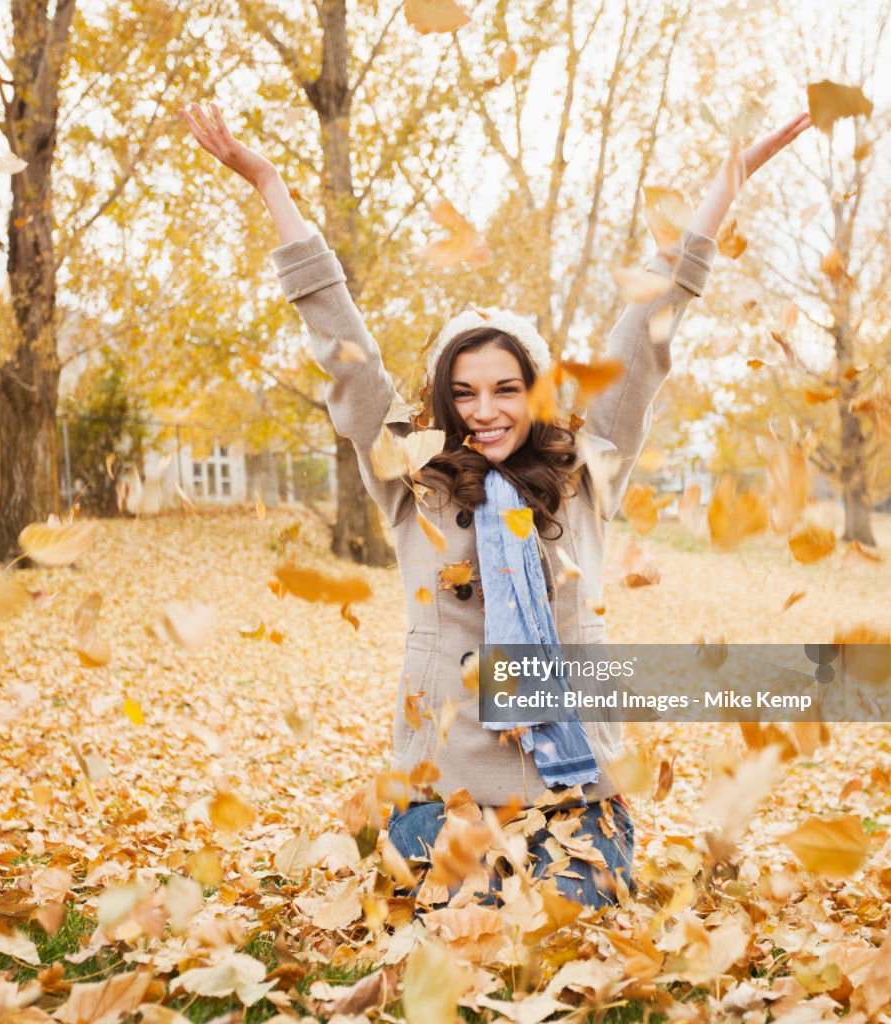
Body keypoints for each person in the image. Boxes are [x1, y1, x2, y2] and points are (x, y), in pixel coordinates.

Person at [181, 101, 811, 908]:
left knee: (568, 947)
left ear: (536, 393)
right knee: (461, 954)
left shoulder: (588, 472)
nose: (486, 411)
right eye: (465, 393)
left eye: (506, 389)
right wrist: (267, 183)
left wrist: (729, 183)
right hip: (444, 800)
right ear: (443, 401)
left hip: (578, 795)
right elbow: (345, 348)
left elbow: (647, 321)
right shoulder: (415, 482)